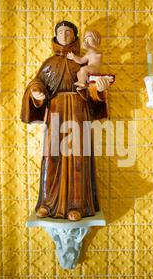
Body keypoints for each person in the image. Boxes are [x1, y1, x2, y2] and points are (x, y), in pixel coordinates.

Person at [20, 20, 110, 221]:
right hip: (55, 113)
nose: (63, 35)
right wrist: (36, 93)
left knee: (78, 157)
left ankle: (77, 205)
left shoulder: (83, 61)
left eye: (68, 32)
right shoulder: (49, 64)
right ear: (55, 35)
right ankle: (47, 203)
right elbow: (37, 83)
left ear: (75, 36)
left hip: (78, 112)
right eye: (60, 31)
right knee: (52, 157)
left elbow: (92, 88)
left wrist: (100, 90)